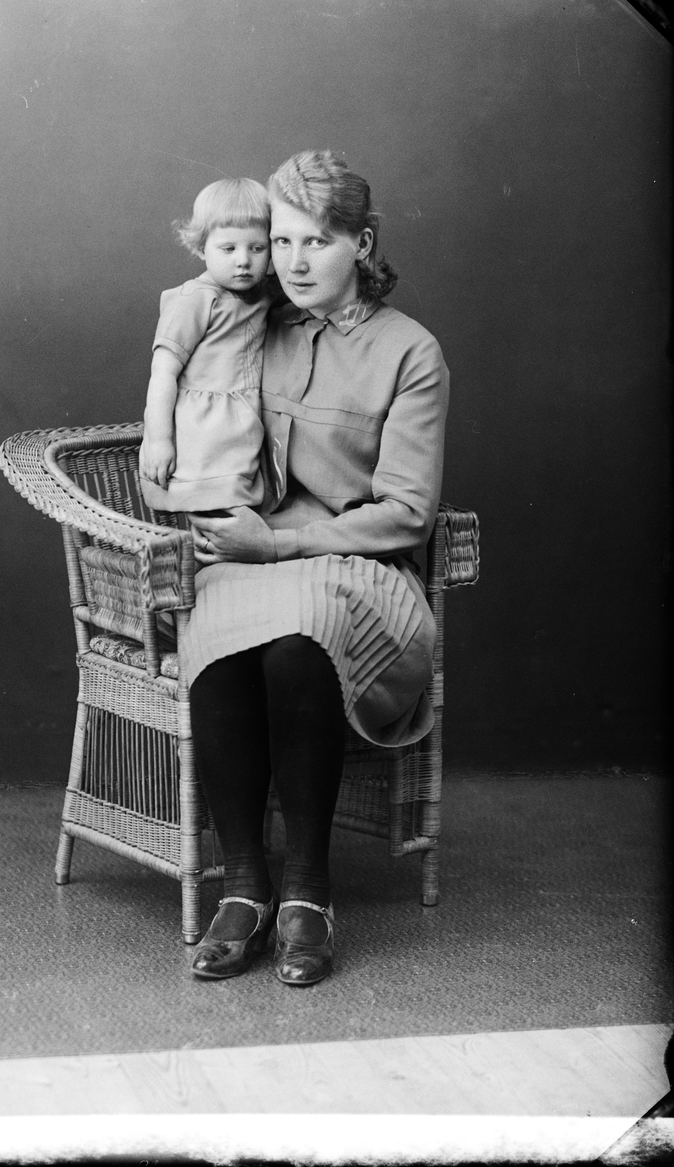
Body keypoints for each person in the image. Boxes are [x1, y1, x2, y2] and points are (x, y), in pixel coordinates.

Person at [184, 149, 450, 986]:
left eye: (317, 242)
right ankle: (245, 886)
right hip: (254, 556)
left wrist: (277, 545)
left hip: (365, 570)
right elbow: (187, 377)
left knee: (301, 641)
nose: (294, 263)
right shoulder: (251, 323)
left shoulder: (410, 352)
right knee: (219, 632)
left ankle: (307, 889)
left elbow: (407, 512)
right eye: (283, 241)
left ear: (361, 244)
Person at [139, 178, 274, 514]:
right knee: (208, 507)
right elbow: (162, 374)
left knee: (241, 510)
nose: (243, 260)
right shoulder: (195, 299)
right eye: (228, 249)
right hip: (199, 433)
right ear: (201, 248)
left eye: (257, 248)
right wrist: (159, 440)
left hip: (241, 429)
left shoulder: (265, 293)